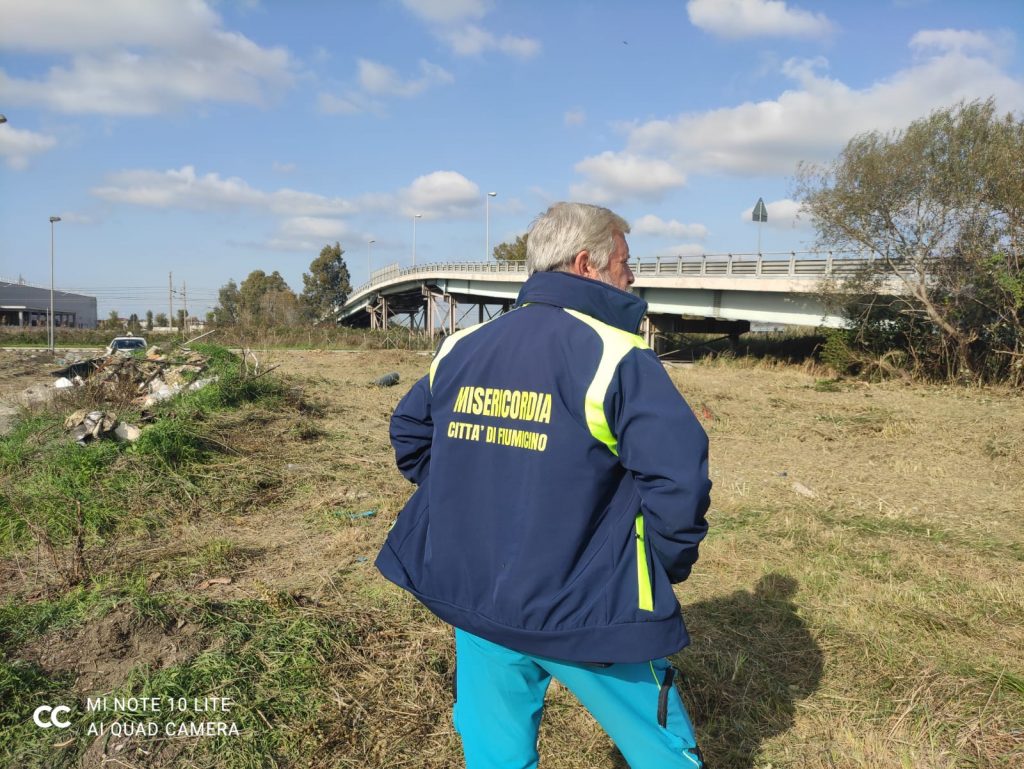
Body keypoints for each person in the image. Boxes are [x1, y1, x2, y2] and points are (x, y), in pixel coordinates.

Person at [376, 202, 711, 768]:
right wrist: (655, 570)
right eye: (626, 262)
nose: (633, 277)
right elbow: (678, 485)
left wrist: (472, 496)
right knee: (664, 755)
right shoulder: (617, 356)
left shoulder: (464, 345)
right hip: (593, 610)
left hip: (479, 597)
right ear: (586, 263)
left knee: (495, 755)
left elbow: (410, 431)